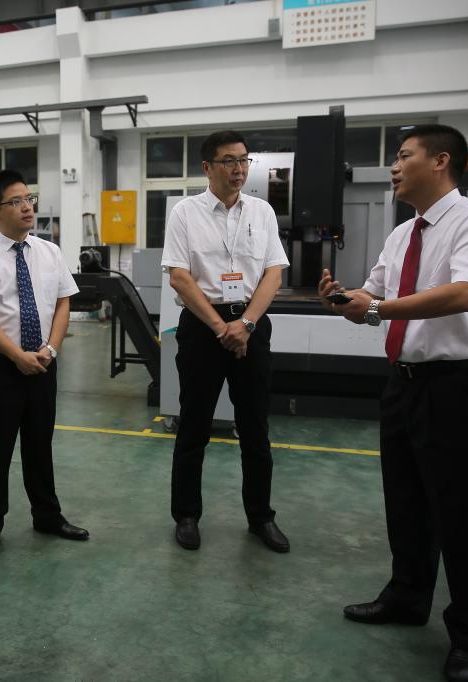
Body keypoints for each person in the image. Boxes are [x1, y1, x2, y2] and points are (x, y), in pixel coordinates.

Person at [319, 124, 468, 682]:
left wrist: (377, 309)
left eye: (404, 156)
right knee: (405, 501)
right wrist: (345, 298)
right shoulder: (403, 233)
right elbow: (375, 293)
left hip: (459, 386)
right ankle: (407, 597)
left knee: (462, 514)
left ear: (441, 160)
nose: (395, 167)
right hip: (404, 383)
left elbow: (464, 294)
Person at [161, 130, 290, 553]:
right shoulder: (185, 213)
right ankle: (186, 515)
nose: (239, 169)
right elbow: (179, 277)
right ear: (208, 167)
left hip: (251, 325)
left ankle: (261, 517)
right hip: (203, 328)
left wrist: (246, 324)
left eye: (244, 160)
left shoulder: (262, 212)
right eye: (229, 161)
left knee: (255, 427)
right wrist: (222, 328)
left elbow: (274, 272)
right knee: (193, 424)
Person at [0, 169, 88, 558]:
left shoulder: (49, 252)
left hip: (43, 364)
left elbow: (64, 302)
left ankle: (47, 516)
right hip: (1, 368)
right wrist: (17, 356)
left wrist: (51, 349)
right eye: (15, 201)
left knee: (39, 445)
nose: (27, 207)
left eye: (29, 198)